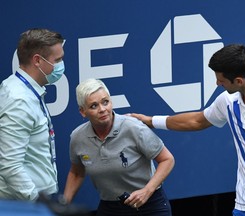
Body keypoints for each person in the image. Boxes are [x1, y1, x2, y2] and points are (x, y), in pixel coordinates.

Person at [130, 44, 245, 216]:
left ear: (239, 81)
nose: (217, 83)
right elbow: (196, 121)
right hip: (244, 206)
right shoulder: (228, 101)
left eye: (221, 80)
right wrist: (151, 121)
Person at [63, 78, 175, 216]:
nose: (102, 109)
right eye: (94, 106)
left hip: (149, 205)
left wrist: (147, 191)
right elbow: (76, 172)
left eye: (105, 102)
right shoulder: (77, 137)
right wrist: (63, 205)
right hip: (110, 207)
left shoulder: (133, 127)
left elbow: (167, 159)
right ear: (82, 111)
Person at [0, 28, 65, 201]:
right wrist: (37, 203)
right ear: (37, 60)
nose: (61, 65)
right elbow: (10, 165)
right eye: (57, 60)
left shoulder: (23, 91)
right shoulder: (19, 100)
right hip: (24, 205)